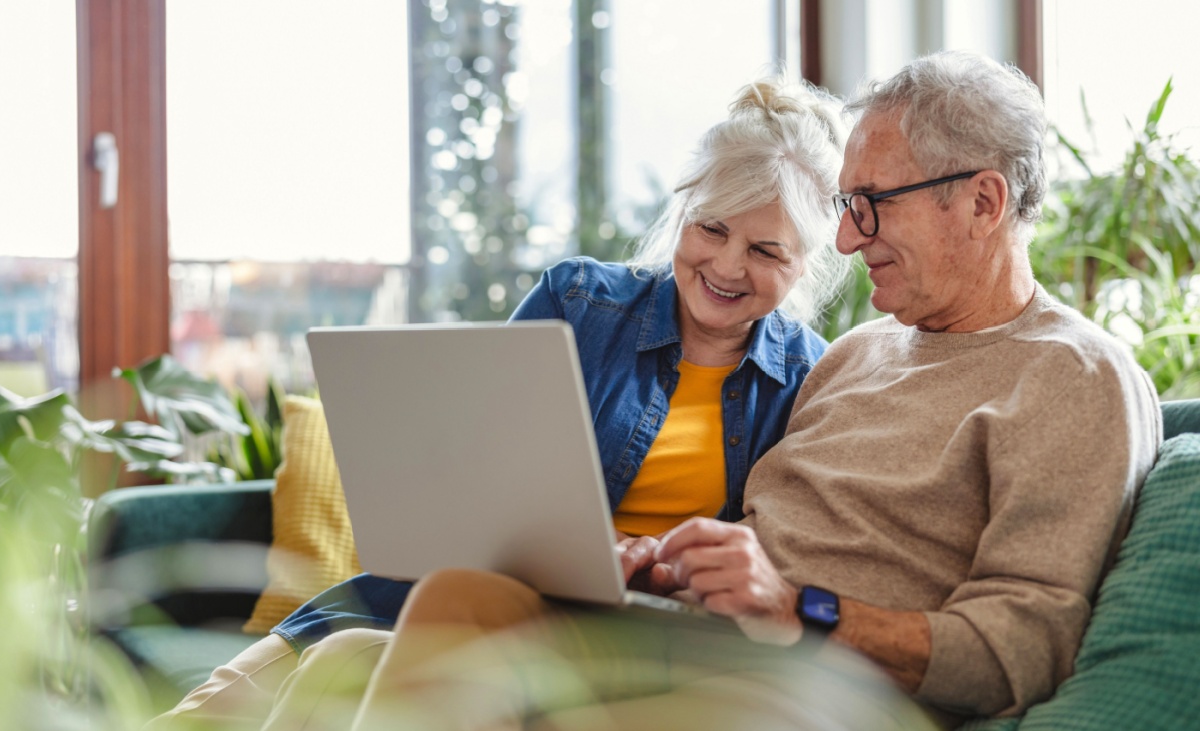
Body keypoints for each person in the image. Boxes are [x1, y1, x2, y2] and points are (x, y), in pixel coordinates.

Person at [299, 50, 1162, 730]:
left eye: (872, 206)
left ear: (982, 201)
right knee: (432, 613)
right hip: (705, 638)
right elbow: (764, 536)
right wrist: (672, 560)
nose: (851, 242)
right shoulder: (857, 355)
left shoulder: (1075, 375)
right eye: (846, 207)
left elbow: (1022, 647)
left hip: (831, 688)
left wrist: (799, 608)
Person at [148, 73, 852, 730]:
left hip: (614, 633)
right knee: (211, 710)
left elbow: (773, 570)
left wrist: (662, 564)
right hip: (453, 591)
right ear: (683, 215)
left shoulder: (809, 380)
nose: (727, 265)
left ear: (806, 262)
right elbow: (469, 483)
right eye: (712, 229)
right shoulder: (578, 303)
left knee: (339, 669)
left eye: (766, 250)